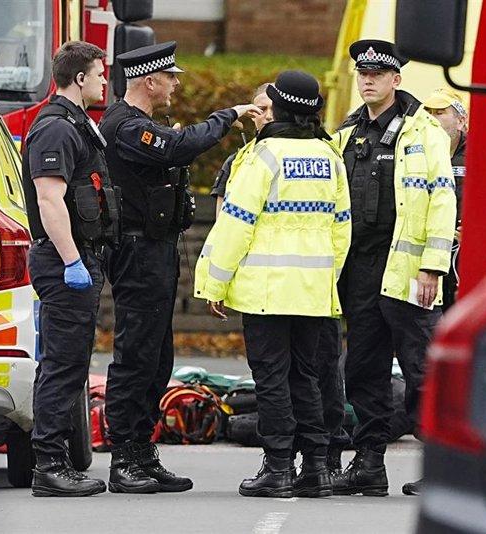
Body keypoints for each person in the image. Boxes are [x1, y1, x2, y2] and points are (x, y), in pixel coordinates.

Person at [99, 41, 262, 494]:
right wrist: (227, 115)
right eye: (171, 77)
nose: (175, 84)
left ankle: (143, 452)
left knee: (157, 356)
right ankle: (125, 458)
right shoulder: (128, 127)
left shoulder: (143, 123)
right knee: (135, 356)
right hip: (137, 251)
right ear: (150, 80)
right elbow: (179, 147)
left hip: (157, 248)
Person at [195, 70, 352, 498]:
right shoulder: (330, 156)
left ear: (278, 107)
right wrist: (326, 277)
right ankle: (316, 468)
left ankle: (279, 467)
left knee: (272, 378)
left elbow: (236, 226)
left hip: (266, 290)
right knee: (307, 376)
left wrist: (214, 284)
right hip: (315, 289)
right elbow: (342, 229)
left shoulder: (261, 157)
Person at [331, 40, 456, 497]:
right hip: (360, 271)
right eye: (362, 72)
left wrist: (433, 267)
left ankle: (443, 469)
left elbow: (443, 201)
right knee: (364, 369)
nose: (367, 80)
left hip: (407, 272)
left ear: (396, 80)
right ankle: (368, 464)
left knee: (423, 371)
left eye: (377, 74)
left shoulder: (425, 133)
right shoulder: (346, 133)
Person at [21, 40, 112, 497]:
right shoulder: (56, 128)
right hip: (64, 262)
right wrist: (73, 260)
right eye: (99, 74)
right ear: (80, 78)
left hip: (76, 258)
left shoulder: (77, 123)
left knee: (69, 363)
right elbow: (49, 199)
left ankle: (54, 461)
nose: (104, 81)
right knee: (62, 364)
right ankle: (50, 465)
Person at [423, 87, 468, 311]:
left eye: (440, 112)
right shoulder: (416, 153)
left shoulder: (476, 154)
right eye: (428, 112)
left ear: (460, 121)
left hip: (461, 254)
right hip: (426, 252)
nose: (431, 118)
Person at [210, 82, 274, 216]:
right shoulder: (236, 162)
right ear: (251, 114)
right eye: (262, 109)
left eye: (275, 110)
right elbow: (221, 221)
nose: (268, 116)